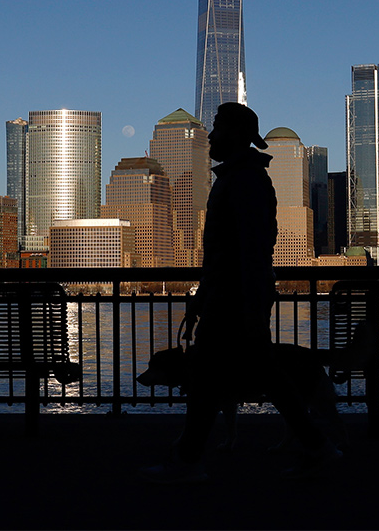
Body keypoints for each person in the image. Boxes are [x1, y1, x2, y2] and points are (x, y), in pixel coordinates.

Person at [139, 102, 340, 484]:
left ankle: (189, 461)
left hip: (235, 297)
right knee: (246, 376)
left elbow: (250, 247)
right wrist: (206, 294)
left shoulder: (244, 180)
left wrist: (244, 303)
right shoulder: (237, 177)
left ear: (236, 134)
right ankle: (318, 447)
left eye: (217, 128)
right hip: (232, 294)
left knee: (212, 378)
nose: (211, 136)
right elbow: (233, 249)